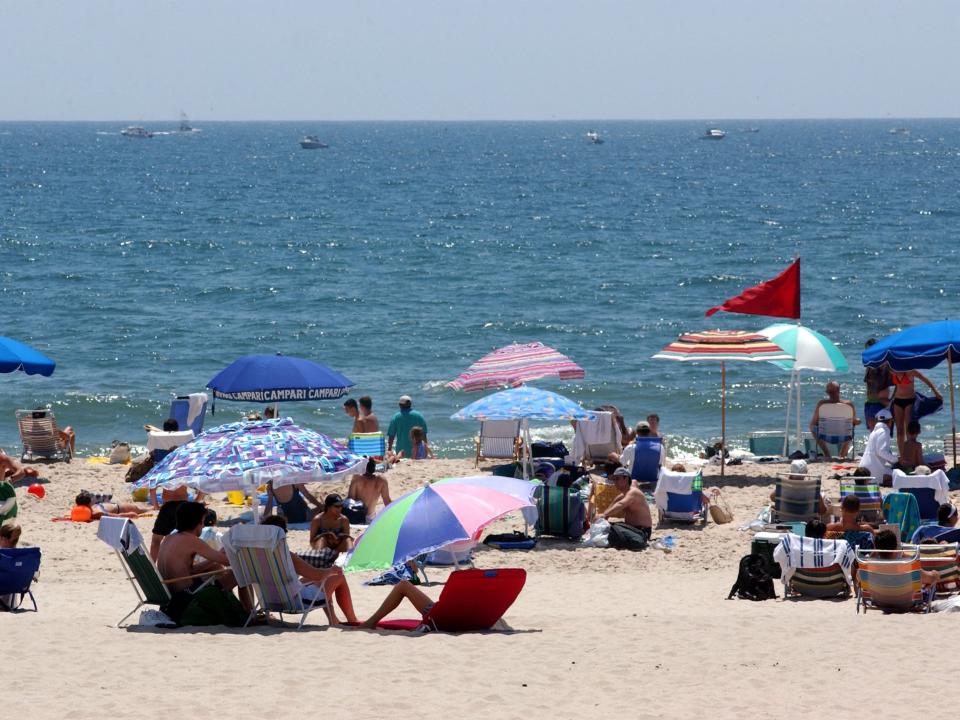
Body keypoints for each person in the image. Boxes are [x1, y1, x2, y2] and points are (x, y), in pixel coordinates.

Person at [156, 501, 252, 625]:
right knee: (241, 572)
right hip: (189, 598)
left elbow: (187, 570)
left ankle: (241, 608)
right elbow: (229, 561)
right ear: (198, 522)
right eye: (202, 521)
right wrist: (228, 550)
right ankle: (249, 613)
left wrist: (214, 559)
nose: (202, 526)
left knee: (214, 566)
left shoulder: (169, 538)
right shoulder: (191, 540)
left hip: (172, 598)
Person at [261, 515, 359, 625]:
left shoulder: (257, 556)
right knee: (337, 576)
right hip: (295, 602)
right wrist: (332, 570)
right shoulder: (286, 556)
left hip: (271, 600)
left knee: (309, 579)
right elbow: (317, 575)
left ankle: (334, 619)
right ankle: (352, 619)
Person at [889, 366, 942, 457]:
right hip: (897, 401)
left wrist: (936, 392)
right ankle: (902, 456)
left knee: (909, 429)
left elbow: (926, 380)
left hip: (910, 401)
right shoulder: (893, 370)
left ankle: (910, 454)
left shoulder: (911, 371)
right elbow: (897, 386)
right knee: (899, 430)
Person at [599, 467, 653, 549]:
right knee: (606, 528)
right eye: (614, 479)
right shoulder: (623, 494)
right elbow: (612, 506)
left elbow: (621, 504)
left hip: (642, 531)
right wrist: (603, 518)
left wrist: (604, 515)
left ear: (626, 479)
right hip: (631, 528)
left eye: (617, 479)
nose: (615, 482)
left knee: (611, 531)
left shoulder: (633, 492)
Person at [873, 529, 940, 590]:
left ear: (877, 550)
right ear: (896, 546)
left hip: (879, 602)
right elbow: (932, 578)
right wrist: (935, 573)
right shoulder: (908, 566)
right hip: (906, 602)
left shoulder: (871, 568)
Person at [808, 381, 860, 460]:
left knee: (811, 427)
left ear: (827, 392)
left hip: (825, 436)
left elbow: (813, 423)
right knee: (850, 428)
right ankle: (842, 455)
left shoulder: (822, 404)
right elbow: (854, 421)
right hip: (844, 437)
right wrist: (858, 421)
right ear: (839, 391)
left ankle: (827, 454)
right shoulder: (848, 405)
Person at [859, 408, 898, 484]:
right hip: (871, 473)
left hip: (862, 470)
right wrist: (896, 460)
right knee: (895, 475)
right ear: (890, 421)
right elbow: (881, 451)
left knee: (889, 470)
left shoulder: (874, 431)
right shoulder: (884, 431)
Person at [863, 339, 892, 431]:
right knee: (873, 434)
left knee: (880, 433)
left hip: (880, 405)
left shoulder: (885, 366)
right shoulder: (869, 366)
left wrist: (891, 401)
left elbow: (897, 383)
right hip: (870, 403)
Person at [387, 395, 428, 459]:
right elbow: (424, 434)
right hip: (418, 452)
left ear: (399, 405)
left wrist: (389, 450)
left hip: (401, 452)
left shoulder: (396, 417)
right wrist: (425, 450)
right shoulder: (419, 416)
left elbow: (391, 435)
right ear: (410, 404)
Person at [74, 491, 150, 520]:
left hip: (122, 508)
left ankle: (152, 509)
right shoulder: (90, 511)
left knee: (142, 510)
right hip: (114, 506)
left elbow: (114, 516)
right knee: (142, 510)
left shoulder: (96, 513)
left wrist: (129, 514)